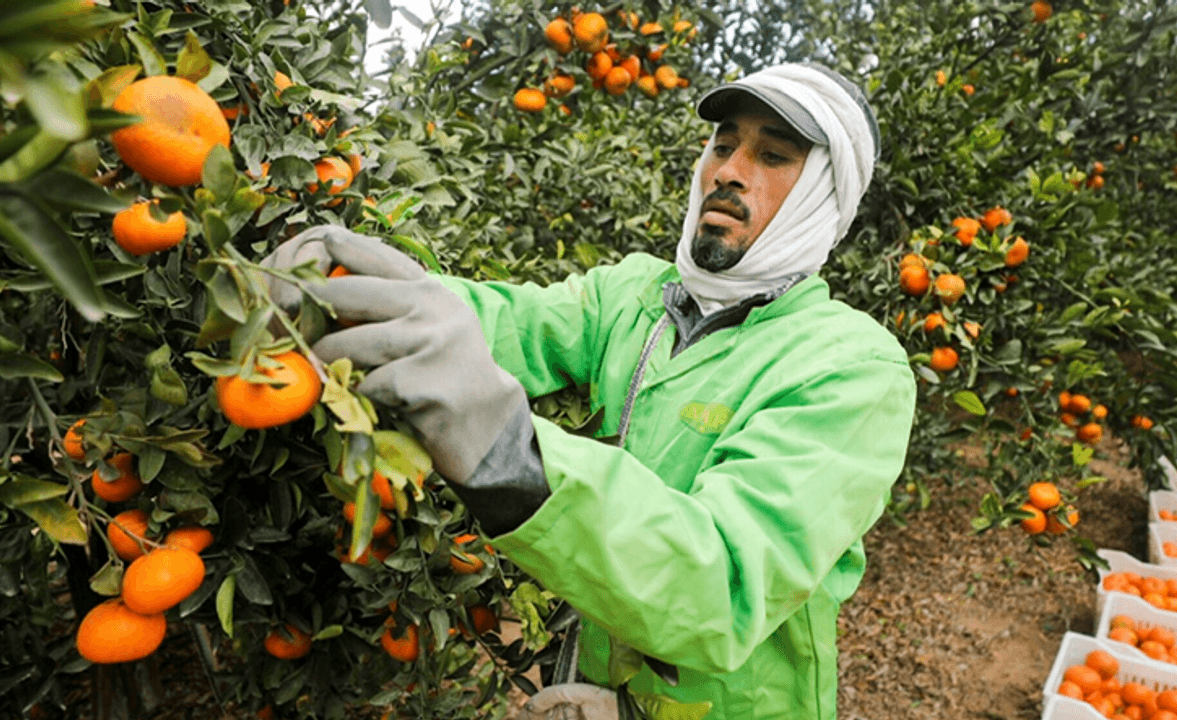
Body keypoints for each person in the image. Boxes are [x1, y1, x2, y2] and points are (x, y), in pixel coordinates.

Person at [262, 61, 917, 719]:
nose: (727, 170)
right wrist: (374, 287)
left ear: (824, 197)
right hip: (597, 676)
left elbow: (725, 586)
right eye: (722, 144)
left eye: (772, 154)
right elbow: (504, 322)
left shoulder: (851, 368)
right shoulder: (635, 296)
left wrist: (510, 454)